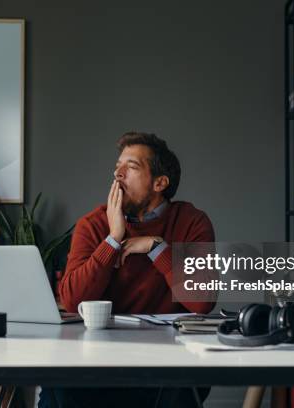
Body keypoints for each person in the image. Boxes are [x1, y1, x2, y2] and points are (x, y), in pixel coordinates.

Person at [39, 132, 215, 408]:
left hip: (166, 361)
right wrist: (112, 239)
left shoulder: (192, 222)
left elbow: (202, 300)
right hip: (97, 359)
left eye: (131, 167)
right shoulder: (93, 224)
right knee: (57, 387)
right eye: (117, 167)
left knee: (184, 384)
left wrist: (156, 248)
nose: (118, 174)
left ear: (160, 183)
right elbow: (73, 299)